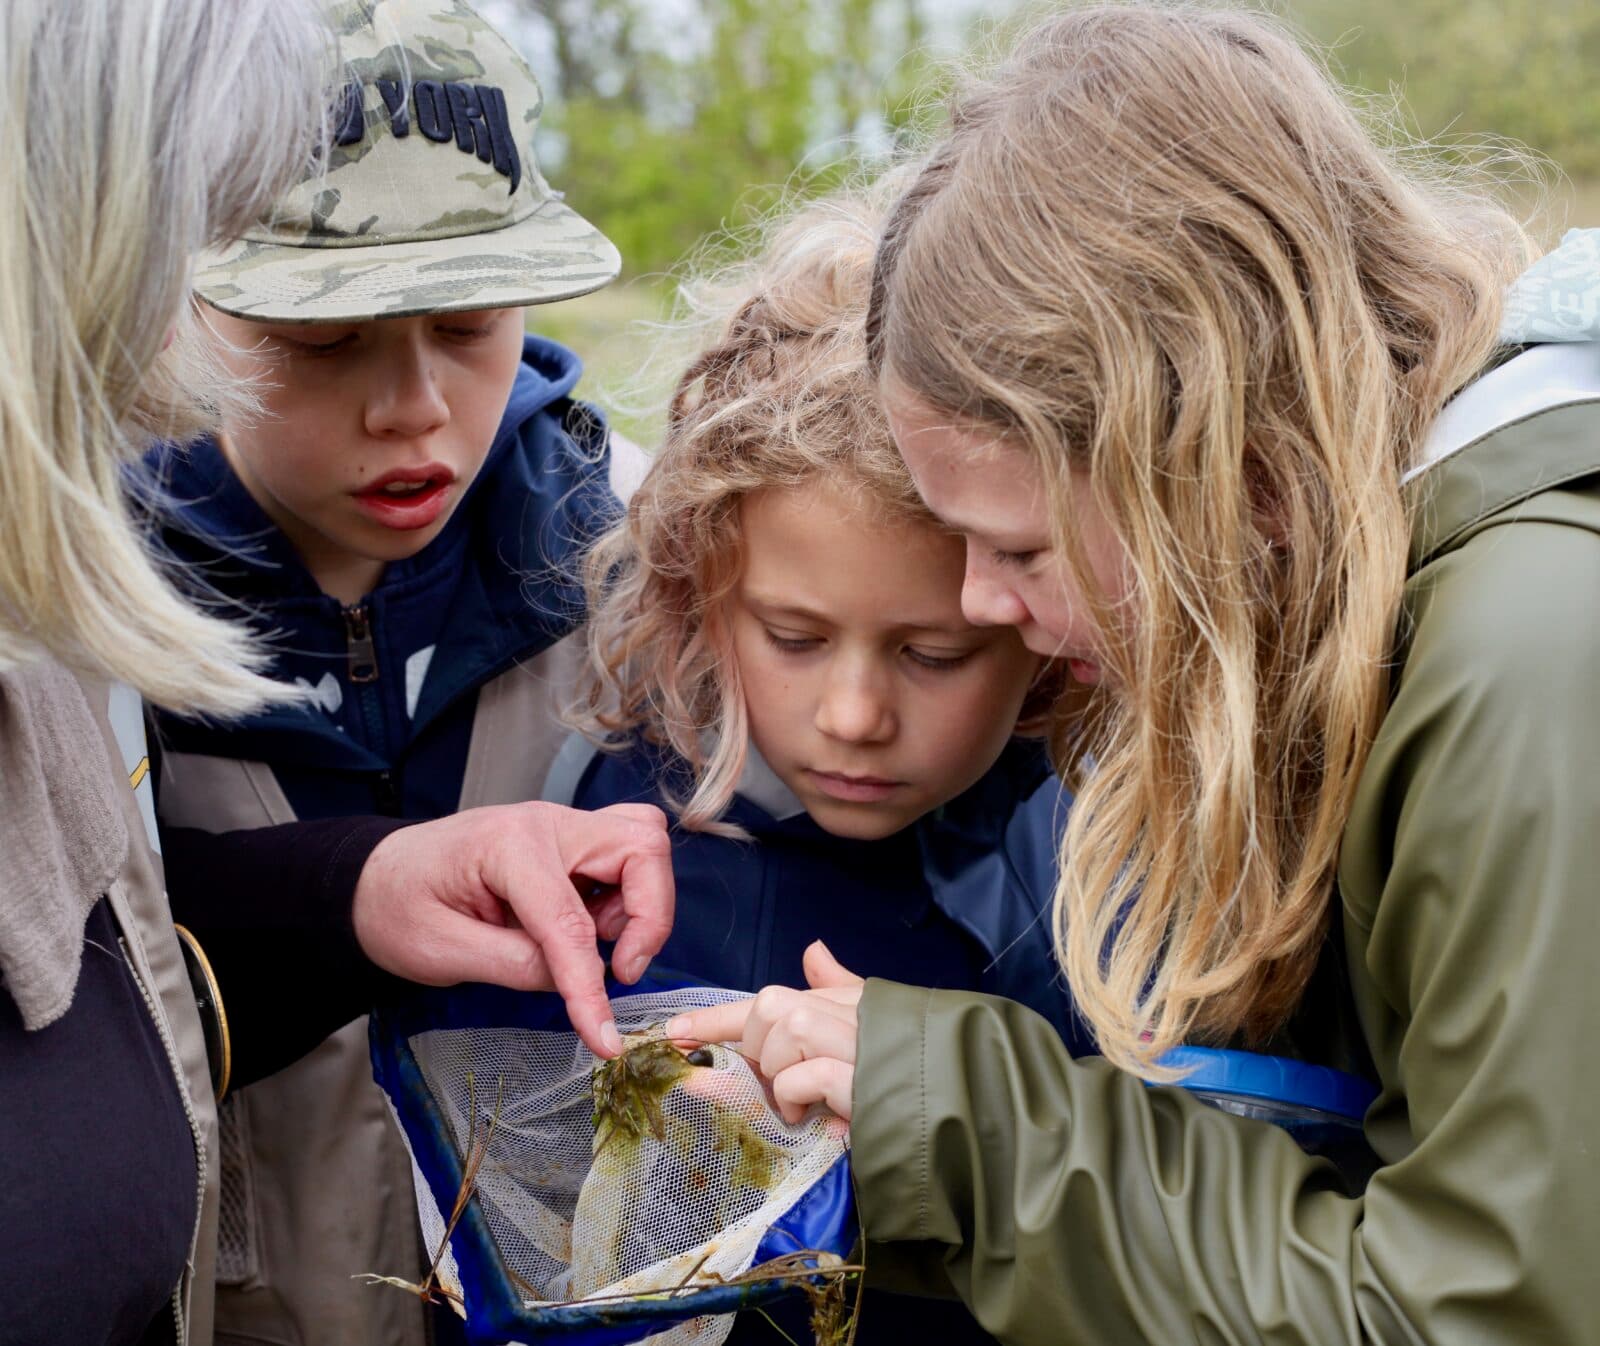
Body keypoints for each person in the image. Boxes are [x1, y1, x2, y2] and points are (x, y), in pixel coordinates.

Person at [670, 7, 1600, 1343]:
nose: (990, 603)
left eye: (1020, 545)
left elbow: (1478, 1311)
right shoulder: (1381, 601)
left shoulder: (1526, 663)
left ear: (1199, 443)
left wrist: (971, 1124)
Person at [0, 4, 672, 1345]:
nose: (412, 405)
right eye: (321, 340)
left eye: (471, 323)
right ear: (164, 297)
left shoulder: (651, 575)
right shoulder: (68, 618)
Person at [556, 185, 1079, 1345]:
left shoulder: (1081, 876)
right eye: (792, 639)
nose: (852, 714)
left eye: (934, 654)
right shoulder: (596, 821)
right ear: (699, 588)